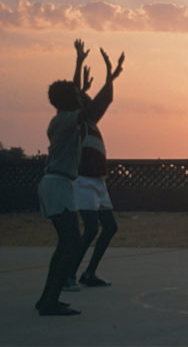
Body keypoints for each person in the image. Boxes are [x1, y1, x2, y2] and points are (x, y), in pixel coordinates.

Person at [36, 42, 122, 316]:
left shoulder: (65, 118)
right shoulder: (66, 119)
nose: (80, 94)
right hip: (58, 184)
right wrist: (109, 77)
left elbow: (82, 98)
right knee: (70, 243)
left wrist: (91, 69)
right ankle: (50, 298)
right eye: (76, 93)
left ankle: (48, 298)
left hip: (59, 184)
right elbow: (96, 104)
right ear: (67, 100)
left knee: (66, 244)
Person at [67, 41, 121, 289]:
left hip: (98, 182)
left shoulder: (92, 122)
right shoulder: (77, 121)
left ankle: (89, 273)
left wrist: (111, 74)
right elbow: (75, 91)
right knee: (90, 228)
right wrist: (79, 61)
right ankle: (68, 275)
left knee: (108, 227)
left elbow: (105, 97)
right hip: (83, 182)